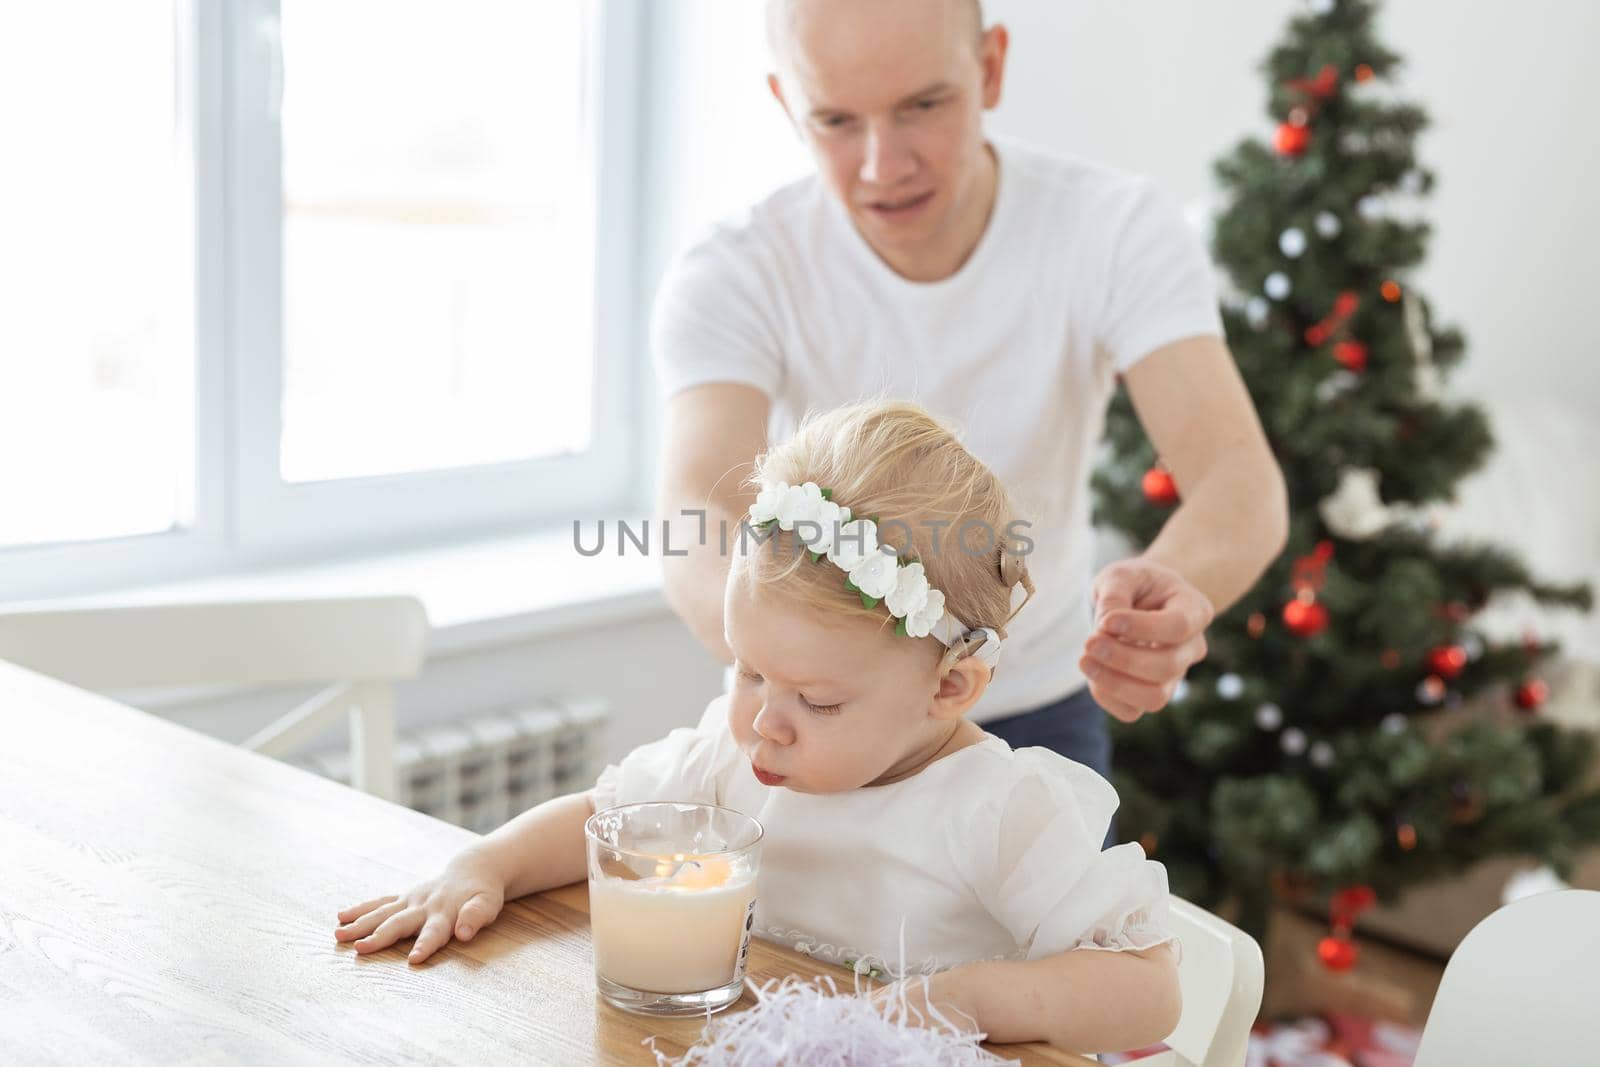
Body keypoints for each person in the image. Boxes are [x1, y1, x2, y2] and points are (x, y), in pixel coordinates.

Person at [336, 402, 1182, 1055]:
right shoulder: (737, 751)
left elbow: (1151, 991)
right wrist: (483, 863)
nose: (763, 722)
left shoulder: (1003, 810)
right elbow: (602, 818)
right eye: (747, 670)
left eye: (817, 701)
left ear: (949, 685)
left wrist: (971, 998)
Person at [654, 0, 1288, 785]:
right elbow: (694, 506)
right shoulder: (738, 268)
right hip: (812, 715)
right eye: (836, 121)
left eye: (922, 105)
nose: (884, 164)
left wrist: (1171, 591)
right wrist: (814, 668)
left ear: (989, 68)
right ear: (787, 103)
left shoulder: (1112, 229)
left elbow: (1239, 480)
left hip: (1034, 715)